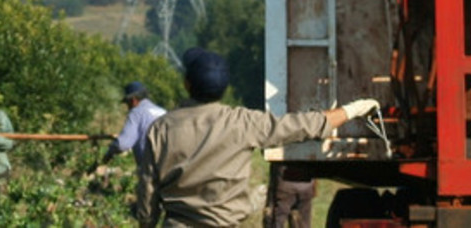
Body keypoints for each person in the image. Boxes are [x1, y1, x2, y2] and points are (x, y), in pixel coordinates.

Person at [136, 47, 379, 228]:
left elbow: (148, 195)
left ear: (187, 84)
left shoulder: (161, 129)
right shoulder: (242, 122)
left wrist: (147, 224)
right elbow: (302, 125)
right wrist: (351, 111)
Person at [100, 81, 166, 165]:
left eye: (127, 103)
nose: (127, 107)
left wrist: (109, 152)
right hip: (169, 166)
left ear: (133, 100)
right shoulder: (163, 111)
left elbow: (123, 144)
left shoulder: (136, 112)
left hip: (151, 167)